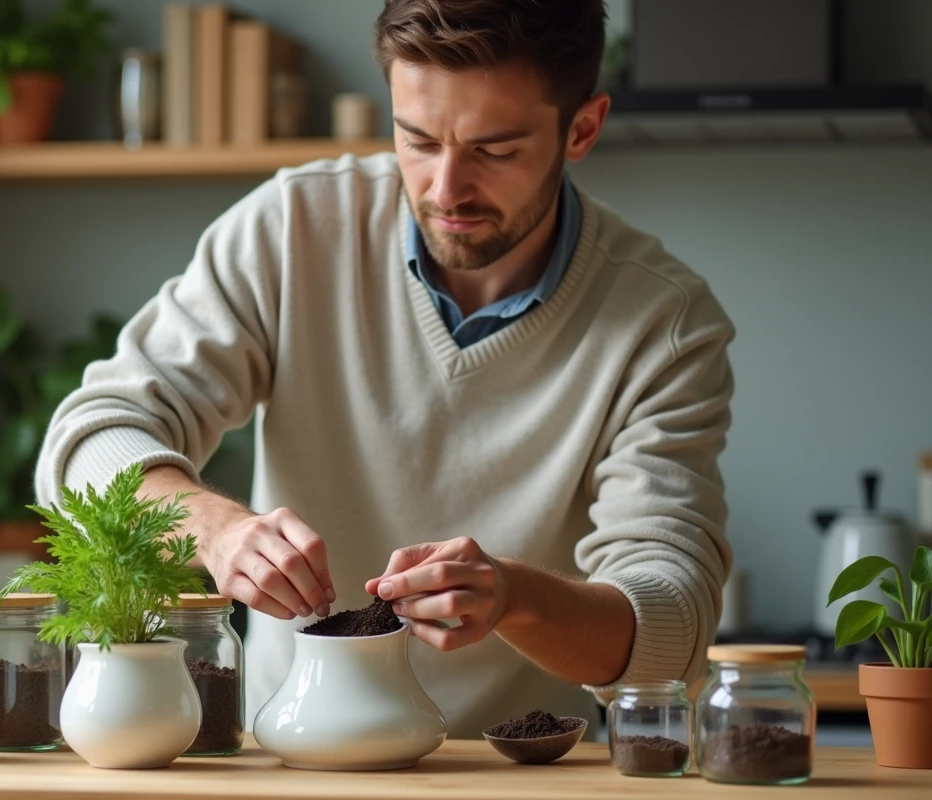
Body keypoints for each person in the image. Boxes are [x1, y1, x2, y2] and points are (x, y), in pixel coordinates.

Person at [36, 0, 734, 736]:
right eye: (417, 138)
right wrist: (214, 530)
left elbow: (673, 631)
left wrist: (514, 598)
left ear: (582, 128)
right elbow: (90, 439)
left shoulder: (664, 322)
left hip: (513, 779)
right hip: (295, 760)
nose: (444, 189)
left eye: (494, 150)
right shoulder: (291, 231)